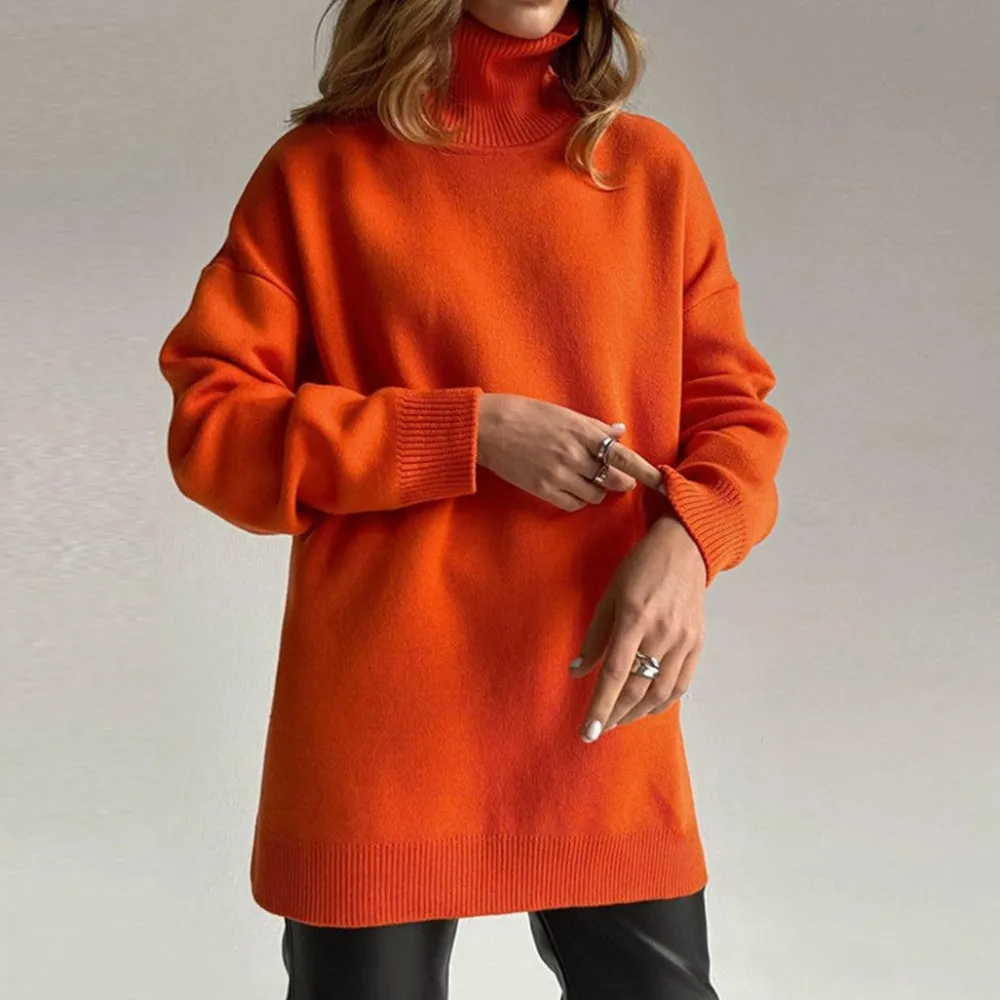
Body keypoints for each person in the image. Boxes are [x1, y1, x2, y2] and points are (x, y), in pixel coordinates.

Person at [157, 0, 788, 996]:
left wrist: (689, 540)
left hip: (597, 716)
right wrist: (464, 432)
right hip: (379, 734)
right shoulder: (317, 177)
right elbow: (214, 432)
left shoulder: (647, 172)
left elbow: (737, 421)